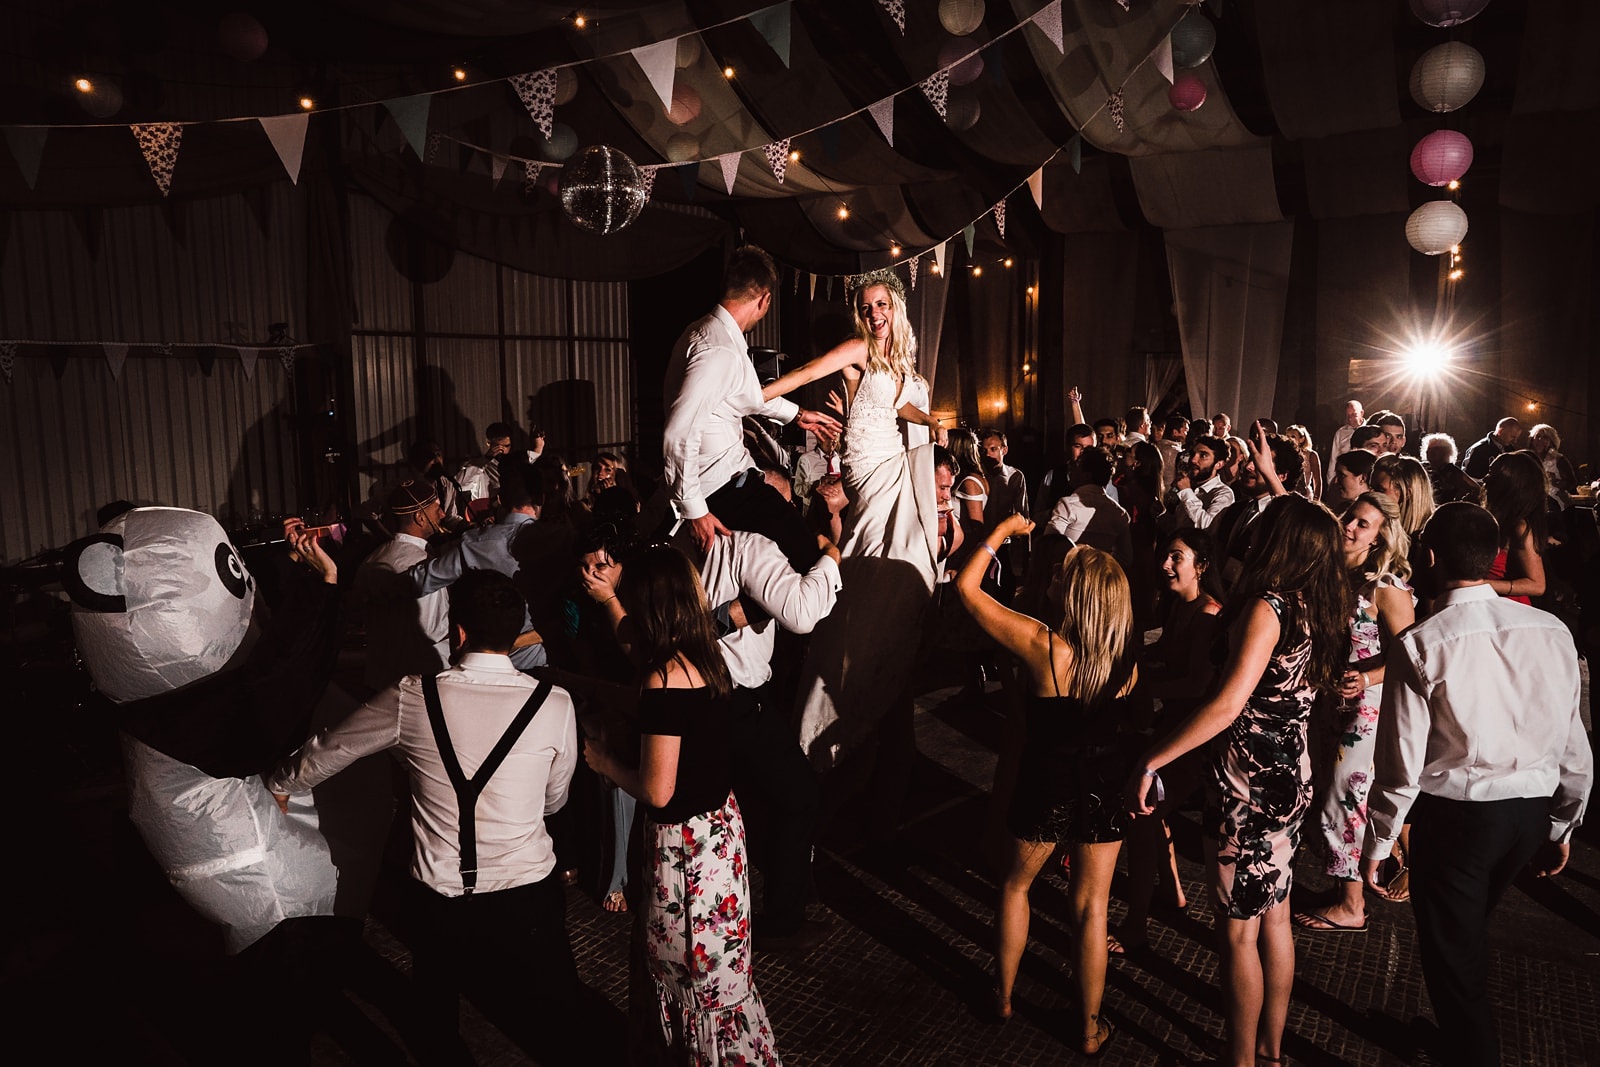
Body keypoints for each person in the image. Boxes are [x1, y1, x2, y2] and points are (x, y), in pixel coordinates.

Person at [267, 569, 585, 1064]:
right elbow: (554, 800)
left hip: (440, 901)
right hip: (528, 898)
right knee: (557, 1016)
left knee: (436, 1019)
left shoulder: (413, 695)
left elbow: (332, 749)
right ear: (516, 631)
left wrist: (282, 783)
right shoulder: (554, 703)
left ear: (457, 631)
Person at [1361, 502, 1592, 1067]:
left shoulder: (1422, 642)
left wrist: (1379, 843)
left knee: (1452, 958)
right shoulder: (1551, 630)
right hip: (1529, 813)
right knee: (1464, 938)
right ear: (1494, 558)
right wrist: (1564, 823)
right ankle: (1456, 1041)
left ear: (1431, 557)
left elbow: (1401, 765)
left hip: (1460, 820)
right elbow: (1574, 740)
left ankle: (1471, 1054)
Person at [1126, 495, 1349, 1067]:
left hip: (1247, 784)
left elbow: (1227, 704)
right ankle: (1270, 1052)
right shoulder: (1318, 606)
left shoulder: (1268, 607)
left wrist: (1152, 760)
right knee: (1275, 914)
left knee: (1237, 934)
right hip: (1291, 774)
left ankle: (1241, 1060)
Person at [581, 545, 782, 1066]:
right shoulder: (705, 659)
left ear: (652, 609)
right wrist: (607, 599)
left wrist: (603, 762)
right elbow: (639, 654)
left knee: (688, 979)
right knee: (721, 979)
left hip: (684, 855)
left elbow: (657, 790)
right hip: (719, 837)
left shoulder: (662, 680)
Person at [960, 514, 1135, 1059]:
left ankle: (1004, 996)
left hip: (1047, 784)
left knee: (1015, 887)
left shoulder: (1042, 645)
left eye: (1061, 577)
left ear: (1076, 595)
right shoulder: (1125, 656)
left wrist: (1000, 533)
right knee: (1092, 909)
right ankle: (1088, 1030)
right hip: (1106, 784)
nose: (1052, 582)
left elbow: (966, 589)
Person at [760, 268, 948, 773]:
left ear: (896, 307)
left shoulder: (896, 361)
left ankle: (885, 655)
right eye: (866, 307)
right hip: (871, 472)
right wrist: (756, 397)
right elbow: (805, 373)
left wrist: (930, 420)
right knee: (874, 564)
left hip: (893, 463)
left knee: (897, 565)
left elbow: (899, 404)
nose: (874, 314)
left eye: (881, 305)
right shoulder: (857, 349)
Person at [661, 244, 840, 567]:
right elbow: (678, 433)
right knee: (808, 562)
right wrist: (696, 510)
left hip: (734, 479)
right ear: (765, 299)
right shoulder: (718, 351)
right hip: (721, 489)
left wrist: (797, 415)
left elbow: (744, 395)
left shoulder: (708, 334)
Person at [1295, 491, 1414, 934]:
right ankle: (1365, 877)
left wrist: (1366, 677)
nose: (1349, 526)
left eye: (1363, 524)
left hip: (1366, 707)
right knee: (1328, 789)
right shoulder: (1329, 573)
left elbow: (1412, 655)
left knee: (1343, 797)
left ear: (1380, 538)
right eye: (1350, 517)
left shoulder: (1385, 588)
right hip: (1327, 701)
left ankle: (1352, 905)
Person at [1116, 527, 1225, 954]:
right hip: (1175, 730)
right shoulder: (1180, 607)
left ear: (1201, 565)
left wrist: (1140, 688)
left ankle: (1136, 926)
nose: (1165, 565)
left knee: (1143, 814)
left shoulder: (1207, 615)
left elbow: (1197, 684)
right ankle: (1174, 892)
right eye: (1165, 556)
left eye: (1175, 557)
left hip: (1196, 739)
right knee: (1155, 810)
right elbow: (1165, 655)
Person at [351, 480, 452, 692]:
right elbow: (434, 630)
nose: (442, 514)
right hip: (422, 681)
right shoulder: (424, 565)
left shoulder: (370, 560)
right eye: (437, 509)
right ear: (420, 517)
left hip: (381, 678)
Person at [1046, 446, 1132, 573]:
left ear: (1086, 475)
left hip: (1069, 579)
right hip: (1101, 582)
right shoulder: (1119, 513)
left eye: (1076, 468)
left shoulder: (1067, 505)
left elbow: (1049, 546)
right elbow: (1126, 558)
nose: (1071, 472)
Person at [1482, 450, 1547, 603]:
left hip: (1510, 608)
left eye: (1492, 473)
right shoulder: (1496, 518)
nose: (1485, 477)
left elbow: (1537, 585)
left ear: (1508, 482)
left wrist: (1483, 585)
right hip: (1490, 604)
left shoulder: (1519, 526)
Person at [1167, 434, 1235, 530]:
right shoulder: (1189, 486)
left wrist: (1186, 492)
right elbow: (1178, 526)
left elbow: (1208, 526)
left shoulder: (1223, 494)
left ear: (1219, 464)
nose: (1193, 460)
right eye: (1192, 454)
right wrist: (1161, 514)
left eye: (1203, 455)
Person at [455, 421, 514, 518]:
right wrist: (487, 458)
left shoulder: (515, 465)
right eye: (498, 446)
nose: (502, 451)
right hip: (486, 517)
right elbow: (459, 485)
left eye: (507, 446)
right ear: (488, 443)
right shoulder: (477, 466)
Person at [1421, 432, 1482, 505]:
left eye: (1436, 449)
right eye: (1429, 449)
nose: (1430, 452)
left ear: (1446, 451)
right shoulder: (1423, 468)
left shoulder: (1451, 470)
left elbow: (1476, 489)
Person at [1529, 423, 1579, 504]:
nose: (1540, 440)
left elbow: (1572, 483)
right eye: (1537, 436)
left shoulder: (1559, 459)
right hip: (1534, 504)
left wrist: (1557, 482)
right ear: (1532, 439)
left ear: (1551, 441)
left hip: (1558, 505)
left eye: (1545, 437)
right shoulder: (1527, 458)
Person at [1324, 400, 1364, 488]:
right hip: (1345, 481)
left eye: (1354, 415)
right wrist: (1331, 484)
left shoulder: (1371, 431)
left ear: (1362, 413)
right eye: (1348, 416)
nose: (1350, 419)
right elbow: (1333, 459)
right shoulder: (1340, 433)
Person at [1283, 424, 1322, 501]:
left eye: (1293, 436)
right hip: (1285, 494)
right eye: (1287, 436)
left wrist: (1316, 501)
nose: (1289, 439)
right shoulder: (1282, 453)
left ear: (1302, 439)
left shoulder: (1311, 455)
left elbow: (1317, 480)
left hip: (1304, 497)